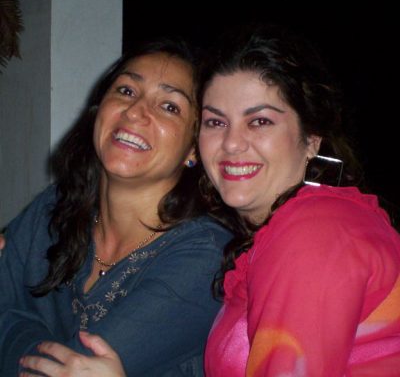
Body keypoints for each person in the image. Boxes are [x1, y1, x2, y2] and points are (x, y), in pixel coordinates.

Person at [11, 24, 400, 376]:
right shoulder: (268, 244)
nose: (232, 142)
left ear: (311, 139)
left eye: (260, 121)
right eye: (216, 122)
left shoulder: (314, 234)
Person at [0, 37, 232, 376]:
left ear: (194, 149)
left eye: (170, 106)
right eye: (126, 90)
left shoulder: (206, 256)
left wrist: (17, 334)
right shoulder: (56, 207)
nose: (135, 111)